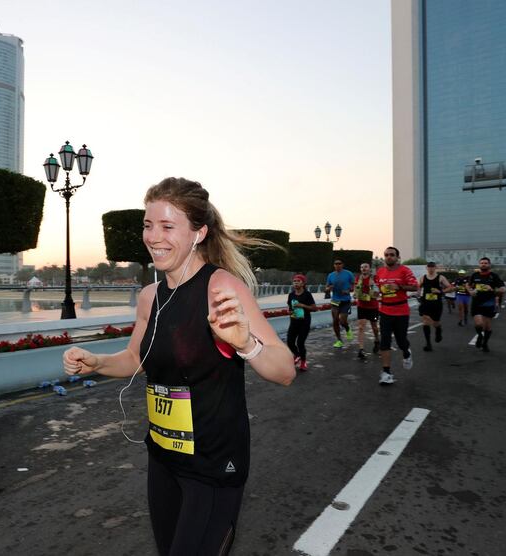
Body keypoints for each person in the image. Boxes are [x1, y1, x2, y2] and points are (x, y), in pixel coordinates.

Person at [62, 177, 295, 555]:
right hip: (163, 460)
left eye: (168, 227)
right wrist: (96, 361)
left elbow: (285, 371)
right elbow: (136, 358)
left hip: (214, 465)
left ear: (198, 233)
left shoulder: (221, 288)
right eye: (148, 225)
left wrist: (245, 344)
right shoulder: (149, 297)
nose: (154, 237)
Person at [374, 247, 418, 385]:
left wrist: (399, 287)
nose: (388, 257)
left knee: (401, 341)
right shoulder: (380, 272)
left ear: (397, 257)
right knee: (384, 341)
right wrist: (376, 294)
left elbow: (415, 287)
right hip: (385, 310)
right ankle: (386, 372)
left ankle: (406, 352)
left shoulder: (405, 270)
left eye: (392, 255)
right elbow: (377, 289)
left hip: (401, 311)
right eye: (386, 255)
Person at [467, 257, 506, 353]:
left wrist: (492, 289)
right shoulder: (475, 275)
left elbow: (503, 289)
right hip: (476, 302)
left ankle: (485, 343)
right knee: (479, 324)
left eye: (485, 263)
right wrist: (470, 291)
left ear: (489, 265)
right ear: (479, 265)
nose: (483, 264)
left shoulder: (494, 276)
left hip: (489, 303)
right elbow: (468, 285)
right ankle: (480, 336)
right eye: (482, 263)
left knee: (487, 327)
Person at [417, 262, 454, 352]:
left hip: (436, 304)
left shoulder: (440, 278)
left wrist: (440, 291)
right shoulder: (423, 278)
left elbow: (451, 288)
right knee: (425, 321)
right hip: (425, 303)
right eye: (429, 267)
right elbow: (418, 287)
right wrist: (418, 295)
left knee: (436, 322)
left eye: (432, 267)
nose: (430, 269)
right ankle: (428, 343)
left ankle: (438, 329)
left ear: (435, 268)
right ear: (426, 268)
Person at [286, 274, 316, 372]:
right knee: (290, 342)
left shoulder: (307, 294)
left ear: (303, 283)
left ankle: (303, 362)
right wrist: (290, 311)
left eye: (298, 281)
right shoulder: (291, 295)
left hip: (304, 322)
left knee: (300, 343)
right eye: (294, 281)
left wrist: (302, 305)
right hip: (294, 321)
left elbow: (314, 308)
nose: (296, 283)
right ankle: (297, 355)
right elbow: (290, 308)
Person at [325, 259, 355, 348]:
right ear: (334, 265)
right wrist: (328, 288)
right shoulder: (331, 275)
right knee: (335, 321)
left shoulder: (348, 273)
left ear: (342, 265)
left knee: (342, 321)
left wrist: (349, 290)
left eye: (339, 263)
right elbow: (327, 286)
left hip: (345, 301)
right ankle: (339, 340)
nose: (337, 265)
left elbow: (354, 285)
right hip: (335, 300)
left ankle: (348, 329)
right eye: (336, 264)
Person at [354, 262, 380, 360]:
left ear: (369, 269)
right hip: (361, 306)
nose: (363, 269)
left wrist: (371, 287)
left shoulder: (375, 278)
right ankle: (361, 349)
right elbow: (356, 290)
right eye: (361, 267)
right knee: (361, 327)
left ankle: (377, 340)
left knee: (374, 327)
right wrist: (355, 294)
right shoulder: (358, 278)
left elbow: (377, 294)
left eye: (365, 267)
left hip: (373, 307)